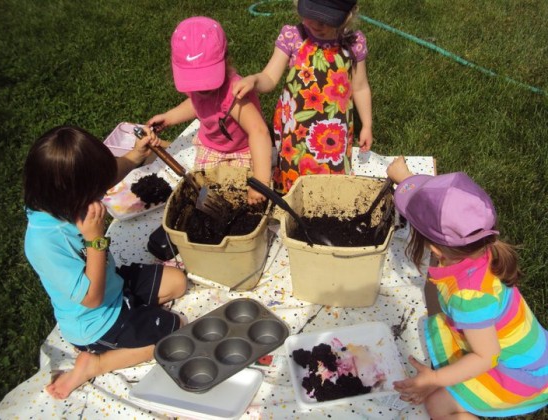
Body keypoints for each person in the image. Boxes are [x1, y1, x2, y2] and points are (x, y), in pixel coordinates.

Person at [23, 125, 188, 399]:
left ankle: (135, 312)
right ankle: (95, 363)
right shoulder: (43, 242)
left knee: (178, 283)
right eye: (96, 191)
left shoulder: (63, 196)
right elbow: (91, 298)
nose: (102, 195)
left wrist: (136, 156)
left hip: (115, 285)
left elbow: (108, 174)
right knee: (175, 330)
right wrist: (95, 240)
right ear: (72, 193)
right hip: (96, 321)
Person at [387, 156, 548, 418]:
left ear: (436, 249)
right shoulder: (481, 245)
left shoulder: (469, 296)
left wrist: (435, 379)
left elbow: (486, 357)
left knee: (438, 404)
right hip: (527, 351)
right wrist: (406, 181)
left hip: (517, 374)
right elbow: (438, 210)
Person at [232, 0, 373, 194]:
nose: (316, 24)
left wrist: (366, 124)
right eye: (311, 15)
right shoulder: (294, 36)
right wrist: (255, 80)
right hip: (295, 128)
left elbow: (360, 87)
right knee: (294, 168)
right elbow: (270, 77)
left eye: (325, 20)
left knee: (331, 180)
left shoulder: (352, 44)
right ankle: (292, 199)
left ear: (348, 16)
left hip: (334, 131)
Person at [147, 16, 272, 205]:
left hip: (242, 149)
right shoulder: (196, 86)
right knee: (206, 190)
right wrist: (169, 118)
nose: (202, 88)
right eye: (197, 82)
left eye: (207, 80)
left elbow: (259, 131)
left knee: (242, 193)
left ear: (226, 60)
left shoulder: (234, 92)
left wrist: (261, 182)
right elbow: (196, 104)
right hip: (212, 147)